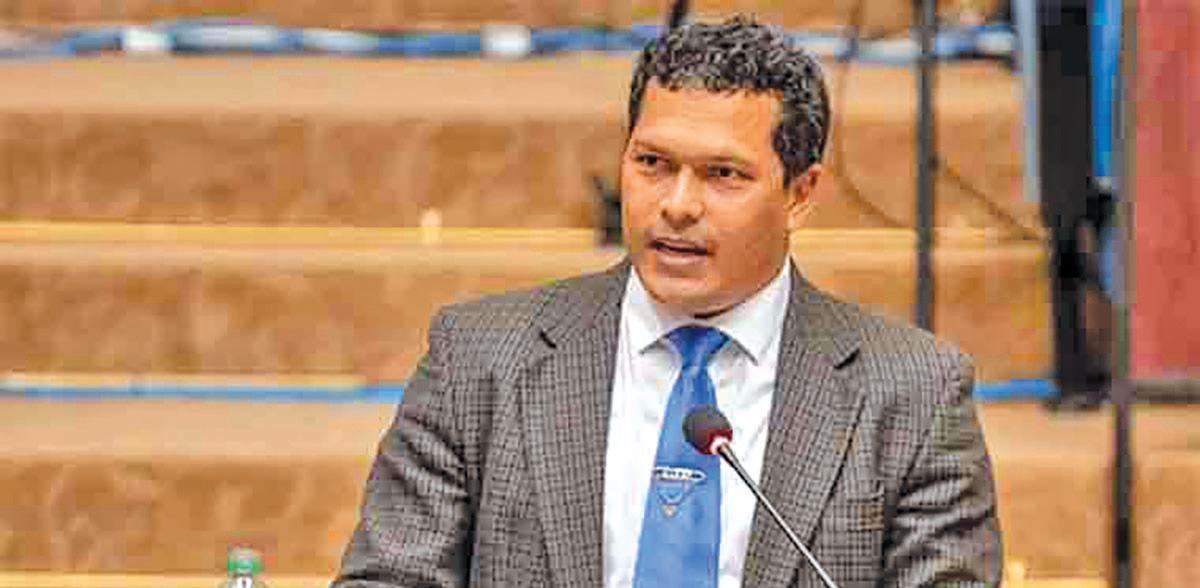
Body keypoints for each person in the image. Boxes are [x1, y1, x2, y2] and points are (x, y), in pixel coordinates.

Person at [333, 16, 1002, 588]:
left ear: (800, 194)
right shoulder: (480, 360)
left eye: (723, 175)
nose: (677, 205)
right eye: (652, 164)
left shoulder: (913, 394)